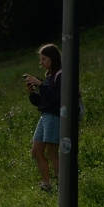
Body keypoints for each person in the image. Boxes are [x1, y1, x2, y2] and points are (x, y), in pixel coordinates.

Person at [23, 43, 62, 192]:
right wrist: (32, 93)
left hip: (53, 116)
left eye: (44, 59)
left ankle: (60, 184)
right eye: (41, 59)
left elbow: (57, 99)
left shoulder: (60, 75)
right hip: (45, 116)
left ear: (53, 58)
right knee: (36, 151)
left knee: (52, 152)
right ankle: (46, 183)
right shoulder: (49, 76)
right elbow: (43, 102)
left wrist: (40, 85)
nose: (41, 63)